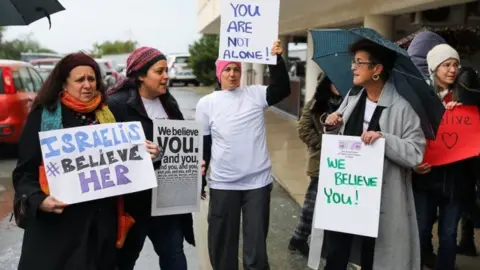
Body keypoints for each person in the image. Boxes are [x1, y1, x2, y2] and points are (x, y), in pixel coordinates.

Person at [11, 52, 160, 270]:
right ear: (64, 83)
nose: (88, 85)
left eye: (92, 79)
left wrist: (151, 157)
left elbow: (128, 165)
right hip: (58, 231)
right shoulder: (43, 116)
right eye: (80, 80)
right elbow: (24, 173)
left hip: (100, 231)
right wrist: (38, 199)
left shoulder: (107, 115)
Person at [323, 38, 425, 270]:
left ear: (377, 69)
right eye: (353, 62)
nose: (353, 67)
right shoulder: (352, 98)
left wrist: (385, 139)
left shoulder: (402, 107)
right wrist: (332, 124)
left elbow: (416, 153)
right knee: (336, 253)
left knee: (375, 255)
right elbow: (338, 138)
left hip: (380, 199)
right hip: (347, 194)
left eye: (359, 62)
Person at [196, 40, 290, 270]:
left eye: (236, 69)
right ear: (219, 74)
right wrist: (200, 178)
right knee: (222, 243)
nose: (232, 73)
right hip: (223, 183)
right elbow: (204, 144)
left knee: (256, 246)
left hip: (256, 183)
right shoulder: (206, 104)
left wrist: (276, 60)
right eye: (227, 69)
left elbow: (282, 89)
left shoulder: (255, 94)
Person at [107, 47, 196, 270]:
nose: (166, 75)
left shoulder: (169, 103)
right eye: (160, 71)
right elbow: (104, 152)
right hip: (132, 203)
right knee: (124, 260)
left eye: (167, 70)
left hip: (166, 199)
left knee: (174, 257)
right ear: (140, 75)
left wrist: (195, 161)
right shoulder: (116, 105)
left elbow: (181, 144)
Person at [413, 44, 475, 270]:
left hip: (456, 182)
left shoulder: (467, 96)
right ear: (434, 68)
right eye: (446, 65)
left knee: (448, 235)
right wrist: (413, 165)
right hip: (425, 178)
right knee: (420, 231)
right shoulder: (420, 98)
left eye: (455, 65)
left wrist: (464, 109)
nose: (452, 70)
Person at [288, 72, 342, 257]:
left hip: (344, 164)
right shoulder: (315, 104)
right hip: (321, 162)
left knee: (337, 205)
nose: (337, 84)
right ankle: (299, 237)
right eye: (332, 80)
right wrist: (324, 143)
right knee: (312, 204)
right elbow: (303, 129)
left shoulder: (351, 102)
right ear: (325, 83)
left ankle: (327, 245)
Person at [407, 29, 446, 268]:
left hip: (424, 166)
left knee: (421, 218)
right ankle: (422, 253)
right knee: (424, 218)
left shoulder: (406, 87)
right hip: (423, 165)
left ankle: (420, 254)